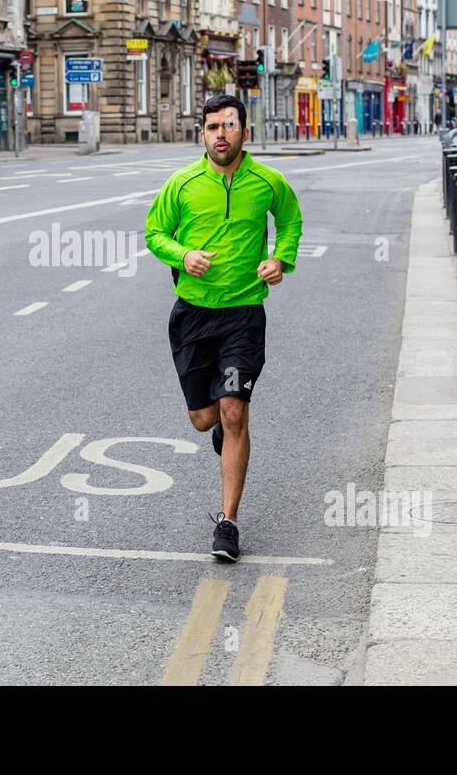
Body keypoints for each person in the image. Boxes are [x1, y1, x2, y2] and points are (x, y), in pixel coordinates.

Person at [144, 94, 303, 562]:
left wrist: (281, 259)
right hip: (192, 314)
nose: (220, 134)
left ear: (243, 132)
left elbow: (290, 220)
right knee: (205, 419)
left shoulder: (267, 182)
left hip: (244, 314)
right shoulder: (183, 183)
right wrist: (181, 255)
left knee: (234, 413)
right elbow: (155, 232)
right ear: (203, 134)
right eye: (212, 126)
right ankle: (220, 427)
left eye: (228, 126)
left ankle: (228, 523)